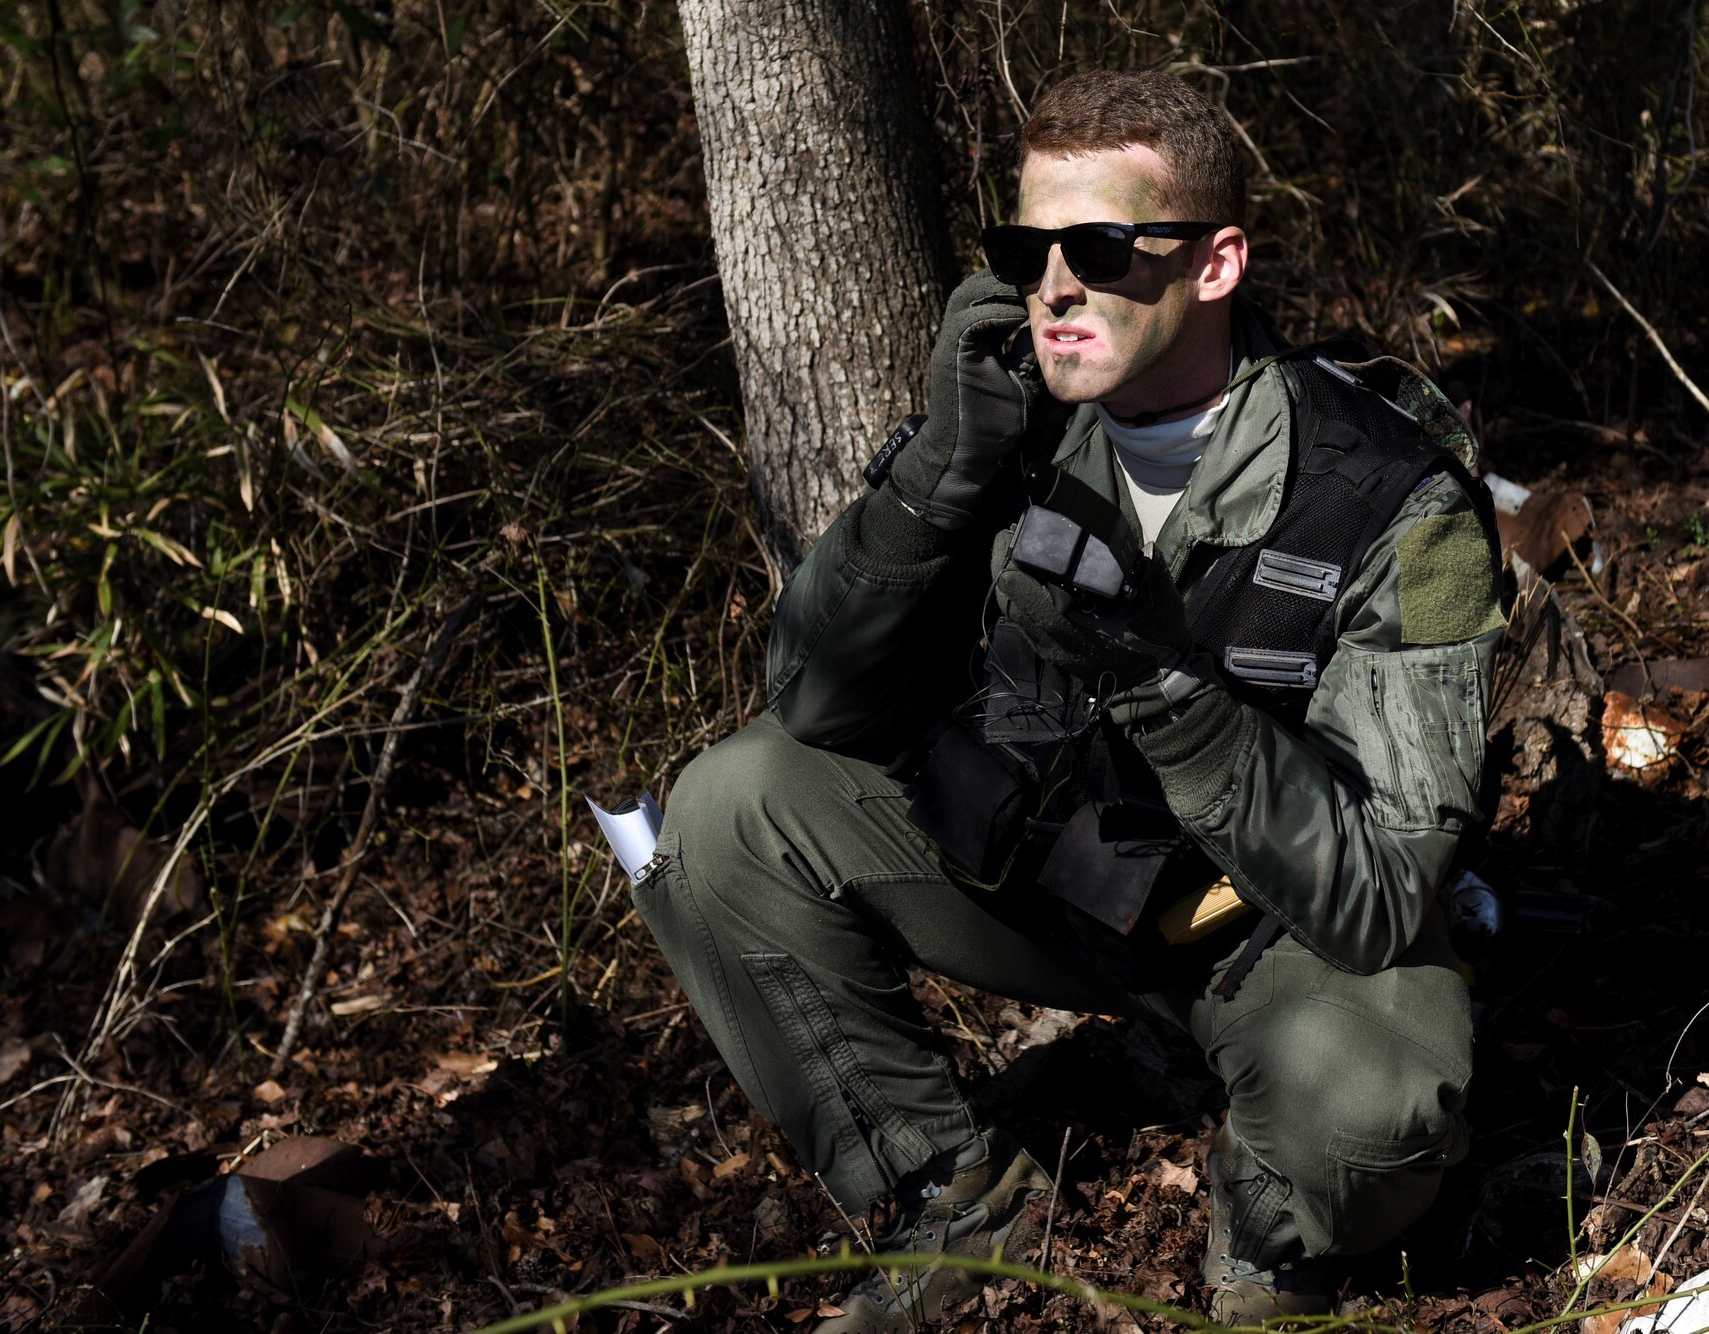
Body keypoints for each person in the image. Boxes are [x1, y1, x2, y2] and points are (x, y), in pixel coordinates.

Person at [634, 70, 1503, 1331]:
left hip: (1261, 930)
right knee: (724, 812)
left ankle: (1265, 1246)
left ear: (1213, 265)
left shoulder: (1384, 497)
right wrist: (941, 467)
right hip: (1041, 874)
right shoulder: (1012, 417)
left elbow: (1375, 895)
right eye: (1023, 248)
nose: (1050, 286)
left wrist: (1156, 682)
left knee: (1373, 1101)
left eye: (1096, 248)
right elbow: (809, 703)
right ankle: (952, 1197)